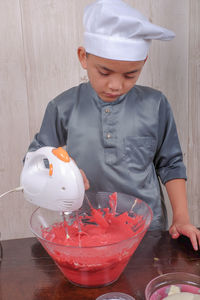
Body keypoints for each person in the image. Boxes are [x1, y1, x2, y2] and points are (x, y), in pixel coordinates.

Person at [27, 0, 200, 250]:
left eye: (130, 75)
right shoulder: (62, 106)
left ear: (143, 62)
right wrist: (62, 172)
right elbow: (35, 161)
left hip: (147, 233)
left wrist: (182, 218)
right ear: (83, 57)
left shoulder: (155, 104)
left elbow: (170, 163)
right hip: (84, 232)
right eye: (105, 72)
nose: (116, 85)